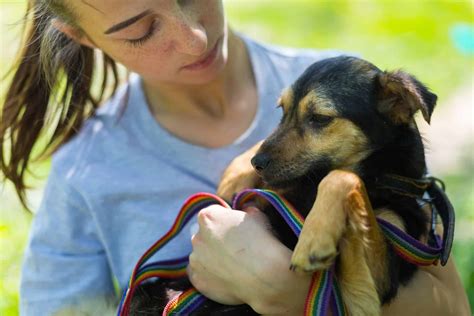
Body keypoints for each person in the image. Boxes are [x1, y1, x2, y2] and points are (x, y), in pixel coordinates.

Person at [0, 1, 469, 315]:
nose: (194, 38)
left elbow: (451, 302)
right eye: (142, 31)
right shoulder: (85, 177)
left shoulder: (344, 90)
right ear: (81, 36)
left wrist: (288, 295)